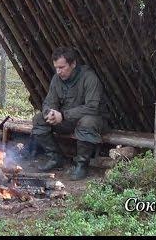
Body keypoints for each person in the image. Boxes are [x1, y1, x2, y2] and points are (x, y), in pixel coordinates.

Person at [31, 47, 110, 181]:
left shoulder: (89, 77)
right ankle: (55, 157)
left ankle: (81, 165)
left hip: (95, 121)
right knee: (38, 119)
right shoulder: (57, 79)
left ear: (73, 64)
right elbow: (49, 102)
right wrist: (49, 112)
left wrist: (63, 115)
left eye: (62, 67)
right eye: (56, 67)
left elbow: (92, 108)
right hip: (68, 120)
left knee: (87, 122)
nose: (58, 71)